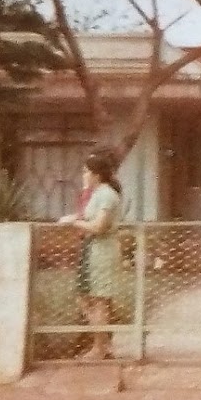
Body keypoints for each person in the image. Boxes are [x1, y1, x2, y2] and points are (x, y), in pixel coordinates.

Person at [59, 151, 124, 361]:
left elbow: (99, 226)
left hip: (102, 251)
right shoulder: (96, 194)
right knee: (86, 298)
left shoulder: (107, 195)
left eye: (86, 172)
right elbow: (88, 216)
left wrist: (74, 223)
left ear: (97, 174)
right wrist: (73, 217)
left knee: (99, 299)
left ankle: (100, 348)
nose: (84, 176)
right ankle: (104, 344)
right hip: (91, 250)